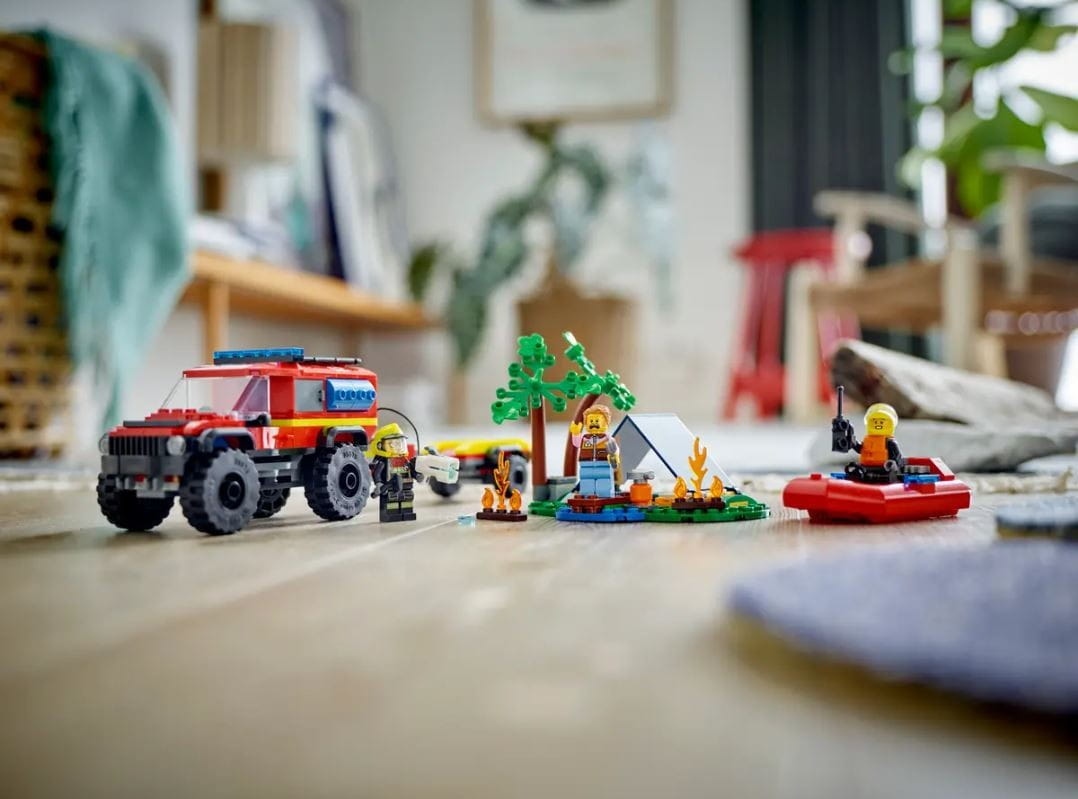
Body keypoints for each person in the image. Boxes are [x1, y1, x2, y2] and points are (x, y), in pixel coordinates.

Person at [569, 404, 621, 497]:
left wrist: (614, 455)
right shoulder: (585, 438)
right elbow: (576, 443)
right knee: (586, 483)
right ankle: (587, 497)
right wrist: (575, 434)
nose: (594, 424)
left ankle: (604, 497)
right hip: (586, 465)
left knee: (604, 483)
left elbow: (615, 449)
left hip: (603, 465)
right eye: (591, 421)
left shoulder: (607, 439)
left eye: (597, 421)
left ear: (605, 422)